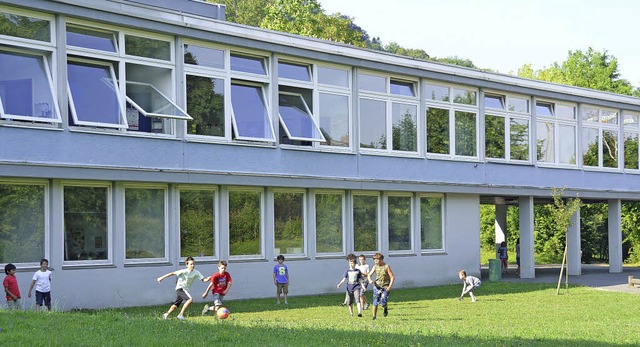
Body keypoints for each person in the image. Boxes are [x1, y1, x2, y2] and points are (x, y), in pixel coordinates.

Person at [157, 256, 207, 320]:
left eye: (194, 264)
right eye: (191, 264)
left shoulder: (196, 272)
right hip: (180, 288)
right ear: (187, 265)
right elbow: (172, 273)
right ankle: (180, 315)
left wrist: (209, 279)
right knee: (190, 299)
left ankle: (166, 314)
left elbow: (203, 280)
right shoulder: (184, 271)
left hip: (185, 290)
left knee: (176, 304)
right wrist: (161, 278)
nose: (193, 265)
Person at [367, 252, 395, 320]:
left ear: (381, 259)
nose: (375, 261)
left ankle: (385, 307)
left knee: (383, 302)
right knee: (375, 301)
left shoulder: (386, 267)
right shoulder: (375, 267)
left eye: (377, 259)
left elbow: (392, 277)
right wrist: (370, 280)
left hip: (385, 287)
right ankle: (374, 316)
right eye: (374, 259)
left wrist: (389, 287)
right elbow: (369, 275)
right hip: (377, 287)